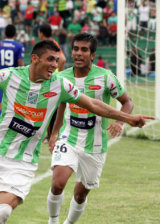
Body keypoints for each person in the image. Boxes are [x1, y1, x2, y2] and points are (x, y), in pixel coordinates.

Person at [0, 40, 154, 224]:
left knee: (2, 212)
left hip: (23, 161)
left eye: (57, 60)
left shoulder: (60, 85)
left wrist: (127, 118)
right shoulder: (10, 76)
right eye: (50, 59)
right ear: (35, 59)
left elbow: (94, 104)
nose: (55, 64)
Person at [47, 32, 134, 224]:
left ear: (92, 55)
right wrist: (54, 134)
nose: (78, 53)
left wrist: (120, 122)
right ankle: (52, 221)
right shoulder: (62, 77)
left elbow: (127, 102)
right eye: (76, 49)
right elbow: (61, 106)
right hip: (68, 137)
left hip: (95, 144)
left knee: (80, 195)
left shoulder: (106, 77)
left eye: (84, 50)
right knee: (58, 183)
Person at [0, 24, 24, 124]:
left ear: (4, 33)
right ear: (15, 34)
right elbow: (20, 63)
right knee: (15, 104)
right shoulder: (19, 46)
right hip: (13, 78)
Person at [38, 23, 66, 141]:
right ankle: (50, 135)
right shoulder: (52, 43)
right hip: (50, 77)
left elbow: (63, 59)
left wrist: (55, 73)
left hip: (50, 78)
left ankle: (51, 136)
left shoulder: (48, 44)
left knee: (51, 106)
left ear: (41, 33)